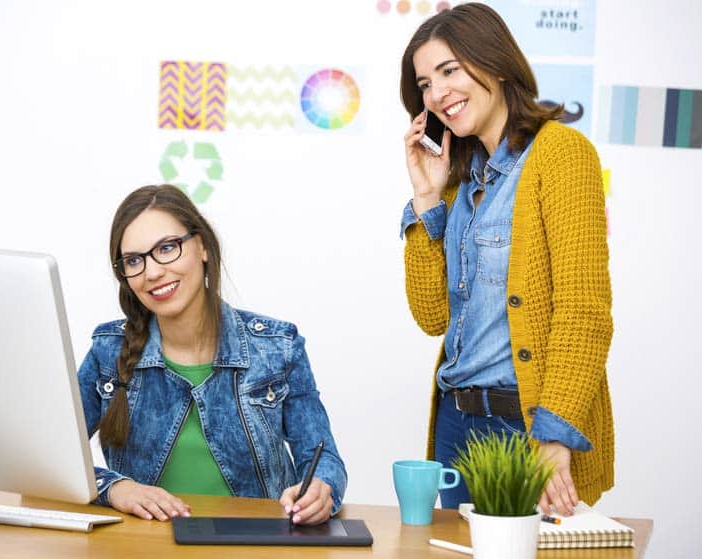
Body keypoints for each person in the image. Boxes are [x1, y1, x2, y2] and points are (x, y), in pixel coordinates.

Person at [398, 3, 613, 516]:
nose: (438, 93)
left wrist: (554, 435)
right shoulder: (457, 181)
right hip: (456, 423)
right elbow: (432, 316)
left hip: (527, 425)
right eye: (425, 84)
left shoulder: (561, 154)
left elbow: (584, 310)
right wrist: (426, 199)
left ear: (494, 62)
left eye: (449, 70)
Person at [77, 184, 347, 525]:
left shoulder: (277, 347)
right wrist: (115, 488)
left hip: (255, 543)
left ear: (202, 245)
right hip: (144, 543)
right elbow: (53, 460)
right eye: (134, 260)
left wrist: (321, 489)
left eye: (167, 248)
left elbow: (323, 459)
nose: (153, 272)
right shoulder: (108, 351)